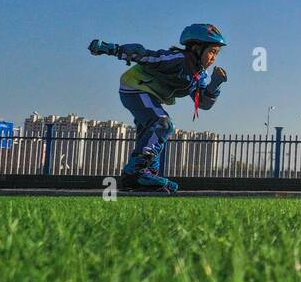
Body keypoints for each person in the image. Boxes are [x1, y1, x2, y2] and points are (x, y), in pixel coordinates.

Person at [87, 23, 228, 193]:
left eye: (217, 54)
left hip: (149, 94)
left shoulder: (199, 75)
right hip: (135, 87)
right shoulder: (177, 59)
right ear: (197, 49)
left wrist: (215, 84)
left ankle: (142, 177)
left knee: (149, 133)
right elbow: (145, 55)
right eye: (212, 51)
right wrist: (110, 49)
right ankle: (138, 172)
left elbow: (203, 103)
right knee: (162, 124)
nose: (213, 58)